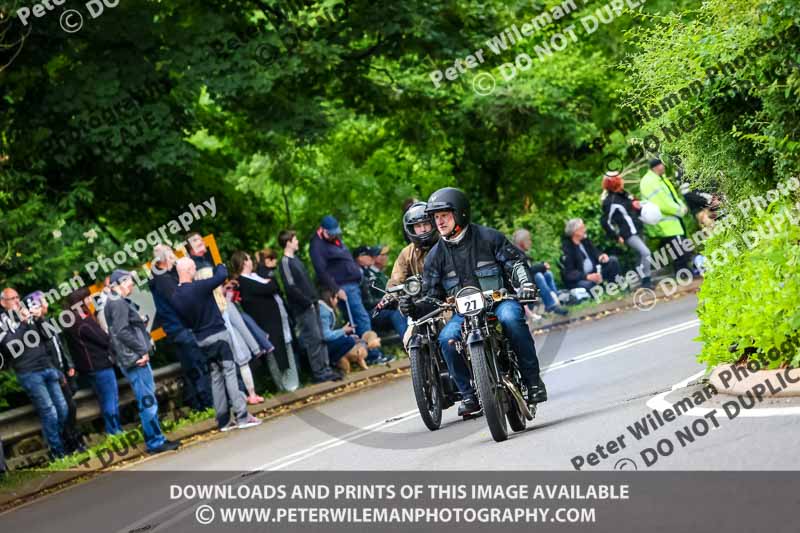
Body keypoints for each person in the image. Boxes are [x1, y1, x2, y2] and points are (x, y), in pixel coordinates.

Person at [404, 188, 546, 416]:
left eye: (445, 216)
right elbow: (431, 295)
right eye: (436, 217)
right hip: (463, 313)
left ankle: (533, 382)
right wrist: (414, 307)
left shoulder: (489, 237)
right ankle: (469, 395)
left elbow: (516, 263)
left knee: (511, 319)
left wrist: (526, 284)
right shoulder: (435, 256)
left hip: (499, 301)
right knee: (447, 339)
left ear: (459, 214)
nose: (439, 222)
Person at [171, 258, 262, 431]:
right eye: (194, 268)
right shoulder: (198, 287)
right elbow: (221, 275)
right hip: (218, 335)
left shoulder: (175, 296)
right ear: (190, 270)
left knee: (215, 377)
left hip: (200, 339)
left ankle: (223, 420)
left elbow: (183, 321)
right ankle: (242, 415)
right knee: (229, 373)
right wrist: (219, 263)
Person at [104, 271, 180, 454]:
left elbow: (120, 330)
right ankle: (155, 442)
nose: (132, 284)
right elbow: (122, 332)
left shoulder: (113, 302)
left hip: (131, 358)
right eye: (129, 281)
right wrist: (141, 350)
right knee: (148, 401)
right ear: (120, 283)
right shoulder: (117, 303)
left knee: (147, 400)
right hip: (135, 360)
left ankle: (156, 439)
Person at [309, 216, 392, 365]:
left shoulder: (332, 239)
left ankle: (367, 353)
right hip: (343, 287)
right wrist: (336, 289)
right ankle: (373, 355)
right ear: (323, 230)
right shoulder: (317, 246)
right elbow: (321, 272)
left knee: (360, 318)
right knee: (361, 319)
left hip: (353, 284)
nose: (335, 235)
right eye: (332, 233)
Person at [1, 287, 69, 459]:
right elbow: (11, 347)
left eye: (18, 297)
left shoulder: (28, 314)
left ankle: (57, 441)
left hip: (46, 366)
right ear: (3, 303)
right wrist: (24, 324)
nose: (17, 301)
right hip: (29, 372)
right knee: (50, 412)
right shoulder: (3, 322)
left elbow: (47, 336)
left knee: (63, 409)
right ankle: (57, 451)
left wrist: (39, 319)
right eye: (12, 299)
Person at [149, 244, 213, 410]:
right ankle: (208, 404)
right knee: (197, 367)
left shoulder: (160, 277)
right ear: (164, 260)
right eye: (171, 256)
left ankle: (198, 405)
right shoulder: (164, 280)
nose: (174, 259)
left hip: (175, 330)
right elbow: (179, 301)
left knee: (190, 368)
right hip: (181, 329)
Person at [278, 230, 343, 383]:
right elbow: (290, 287)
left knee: (321, 337)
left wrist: (315, 300)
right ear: (288, 242)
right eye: (295, 239)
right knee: (313, 339)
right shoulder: (285, 262)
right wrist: (307, 302)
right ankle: (319, 372)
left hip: (313, 304)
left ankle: (326, 368)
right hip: (304, 307)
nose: (297, 241)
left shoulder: (297, 260)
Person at [24, 291, 85, 454]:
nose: (46, 304)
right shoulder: (34, 327)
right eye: (42, 301)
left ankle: (73, 439)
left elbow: (59, 344)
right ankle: (69, 442)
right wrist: (57, 372)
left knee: (69, 406)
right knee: (66, 408)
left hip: (62, 369)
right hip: (54, 373)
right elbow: (44, 353)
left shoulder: (48, 321)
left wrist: (69, 363)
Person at [231, 250, 299, 392]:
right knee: (275, 355)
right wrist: (269, 284)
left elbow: (272, 285)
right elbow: (270, 287)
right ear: (244, 262)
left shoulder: (255, 277)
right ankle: (284, 385)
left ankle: (293, 382)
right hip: (267, 323)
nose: (251, 261)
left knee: (287, 350)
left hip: (277, 320)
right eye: (249, 259)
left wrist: (270, 284)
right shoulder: (244, 282)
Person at [64, 287, 124, 436]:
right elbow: (102, 339)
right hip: (99, 364)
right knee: (110, 399)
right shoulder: (82, 321)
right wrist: (109, 338)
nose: (90, 300)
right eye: (88, 298)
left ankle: (114, 430)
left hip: (90, 367)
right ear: (81, 301)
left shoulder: (71, 320)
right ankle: (114, 431)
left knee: (105, 399)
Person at [600, 171, 653, 289]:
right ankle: (646, 280)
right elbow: (605, 222)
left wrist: (638, 206)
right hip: (628, 233)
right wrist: (616, 236)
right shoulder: (610, 201)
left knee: (640, 255)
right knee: (645, 252)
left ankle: (639, 282)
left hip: (638, 229)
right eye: (619, 180)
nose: (622, 181)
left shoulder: (625, 194)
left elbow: (634, 208)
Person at [640, 158, 692, 273]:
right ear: (655, 167)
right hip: (666, 223)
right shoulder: (650, 181)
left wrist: (681, 205)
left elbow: (672, 195)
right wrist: (680, 210)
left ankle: (683, 272)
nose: (663, 167)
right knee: (680, 249)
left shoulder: (659, 178)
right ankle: (683, 273)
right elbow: (662, 203)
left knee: (679, 248)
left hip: (672, 222)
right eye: (661, 165)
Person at [511, 229, 568, 316]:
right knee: (538, 276)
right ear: (522, 243)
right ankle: (551, 306)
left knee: (547, 274)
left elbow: (530, 269)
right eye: (529, 240)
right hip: (521, 288)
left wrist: (542, 266)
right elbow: (527, 271)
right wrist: (542, 266)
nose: (530, 242)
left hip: (528, 283)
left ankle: (557, 297)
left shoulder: (521, 253)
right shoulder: (515, 255)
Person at [354, 246, 407, 338]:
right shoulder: (362, 274)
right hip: (372, 312)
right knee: (396, 312)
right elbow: (368, 302)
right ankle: (410, 342)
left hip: (381, 307)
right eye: (382, 255)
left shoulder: (376, 274)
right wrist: (389, 300)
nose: (386, 257)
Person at [560, 218, 622, 291]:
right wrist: (587, 276)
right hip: (582, 278)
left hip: (595, 272)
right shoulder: (567, 249)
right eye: (582, 228)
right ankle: (603, 291)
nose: (585, 229)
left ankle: (615, 287)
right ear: (575, 232)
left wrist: (601, 257)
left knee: (612, 261)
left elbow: (595, 252)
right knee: (590, 285)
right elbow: (569, 273)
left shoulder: (585, 241)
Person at [318, 287, 369, 374]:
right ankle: (332, 363)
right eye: (336, 298)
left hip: (324, 344)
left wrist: (343, 333)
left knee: (350, 339)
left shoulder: (325, 310)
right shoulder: (324, 312)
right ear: (331, 299)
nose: (337, 301)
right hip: (322, 346)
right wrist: (343, 331)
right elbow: (326, 335)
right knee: (350, 341)